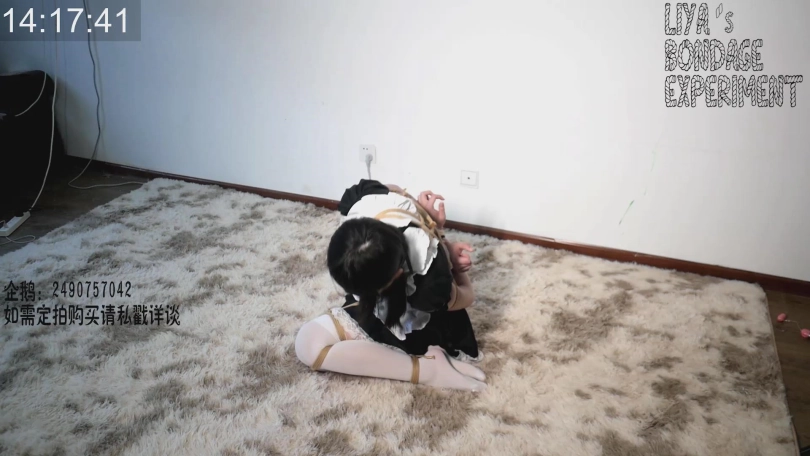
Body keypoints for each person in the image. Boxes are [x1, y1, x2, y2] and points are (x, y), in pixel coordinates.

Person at [294, 179, 487, 391]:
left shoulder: (429, 281)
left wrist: (447, 251)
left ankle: (429, 365)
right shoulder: (364, 200)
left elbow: (467, 297)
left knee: (313, 344)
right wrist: (423, 212)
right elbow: (395, 189)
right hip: (379, 284)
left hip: (418, 317)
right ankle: (427, 370)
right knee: (307, 343)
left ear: (397, 275)